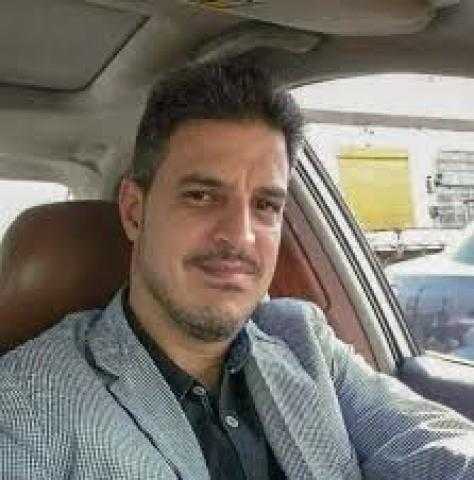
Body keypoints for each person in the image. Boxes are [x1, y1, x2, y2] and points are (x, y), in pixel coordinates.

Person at [1, 60, 474, 480]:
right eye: (201, 196)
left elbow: (434, 445)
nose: (240, 236)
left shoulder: (303, 340)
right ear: (134, 212)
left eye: (265, 204)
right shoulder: (26, 401)